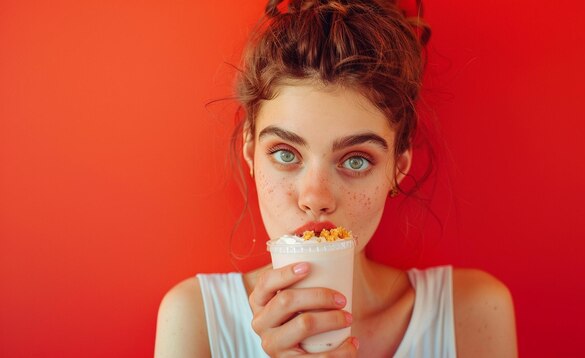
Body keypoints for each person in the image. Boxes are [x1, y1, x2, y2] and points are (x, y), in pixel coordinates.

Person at [154, 0, 518, 356]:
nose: (315, 197)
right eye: (285, 154)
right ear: (250, 154)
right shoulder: (195, 319)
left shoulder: (471, 314)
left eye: (356, 161)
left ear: (397, 167)